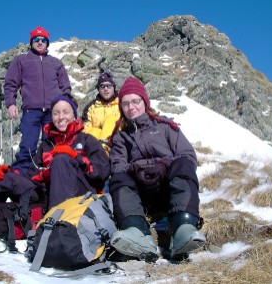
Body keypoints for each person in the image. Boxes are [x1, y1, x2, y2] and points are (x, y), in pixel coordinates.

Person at [108, 77, 206, 262]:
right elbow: (118, 165)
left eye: (135, 101)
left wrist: (164, 165)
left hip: (168, 189)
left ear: (144, 102)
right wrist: (136, 169)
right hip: (140, 196)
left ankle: (183, 228)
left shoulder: (165, 126)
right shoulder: (120, 137)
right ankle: (136, 230)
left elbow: (187, 155)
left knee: (183, 165)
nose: (131, 107)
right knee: (119, 177)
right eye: (126, 103)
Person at [4, 26, 71, 173]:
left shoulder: (55, 63)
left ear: (47, 43)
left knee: (51, 146)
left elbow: (65, 87)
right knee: (28, 146)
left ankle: (51, 176)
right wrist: (11, 104)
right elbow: (10, 84)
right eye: (36, 39)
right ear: (31, 42)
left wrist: (66, 108)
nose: (40, 42)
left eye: (43, 40)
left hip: (52, 113)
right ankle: (20, 177)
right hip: (31, 111)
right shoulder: (21, 60)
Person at [24, 94, 110, 208]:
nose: (61, 117)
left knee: (61, 160)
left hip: (84, 198)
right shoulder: (46, 145)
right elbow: (32, 176)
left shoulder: (87, 140)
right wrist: (10, 175)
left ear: (74, 115)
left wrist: (76, 157)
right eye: (56, 113)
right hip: (52, 196)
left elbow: (102, 172)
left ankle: (60, 218)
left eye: (66, 112)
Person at [81, 71, 120, 153]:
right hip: (95, 144)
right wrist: (100, 133)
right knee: (94, 131)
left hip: (117, 144)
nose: (106, 89)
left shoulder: (121, 104)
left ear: (114, 87)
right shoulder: (91, 107)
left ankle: (103, 152)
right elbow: (86, 129)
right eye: (102, 86)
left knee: (111, 120)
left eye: (108, 86)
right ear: (98, 89)